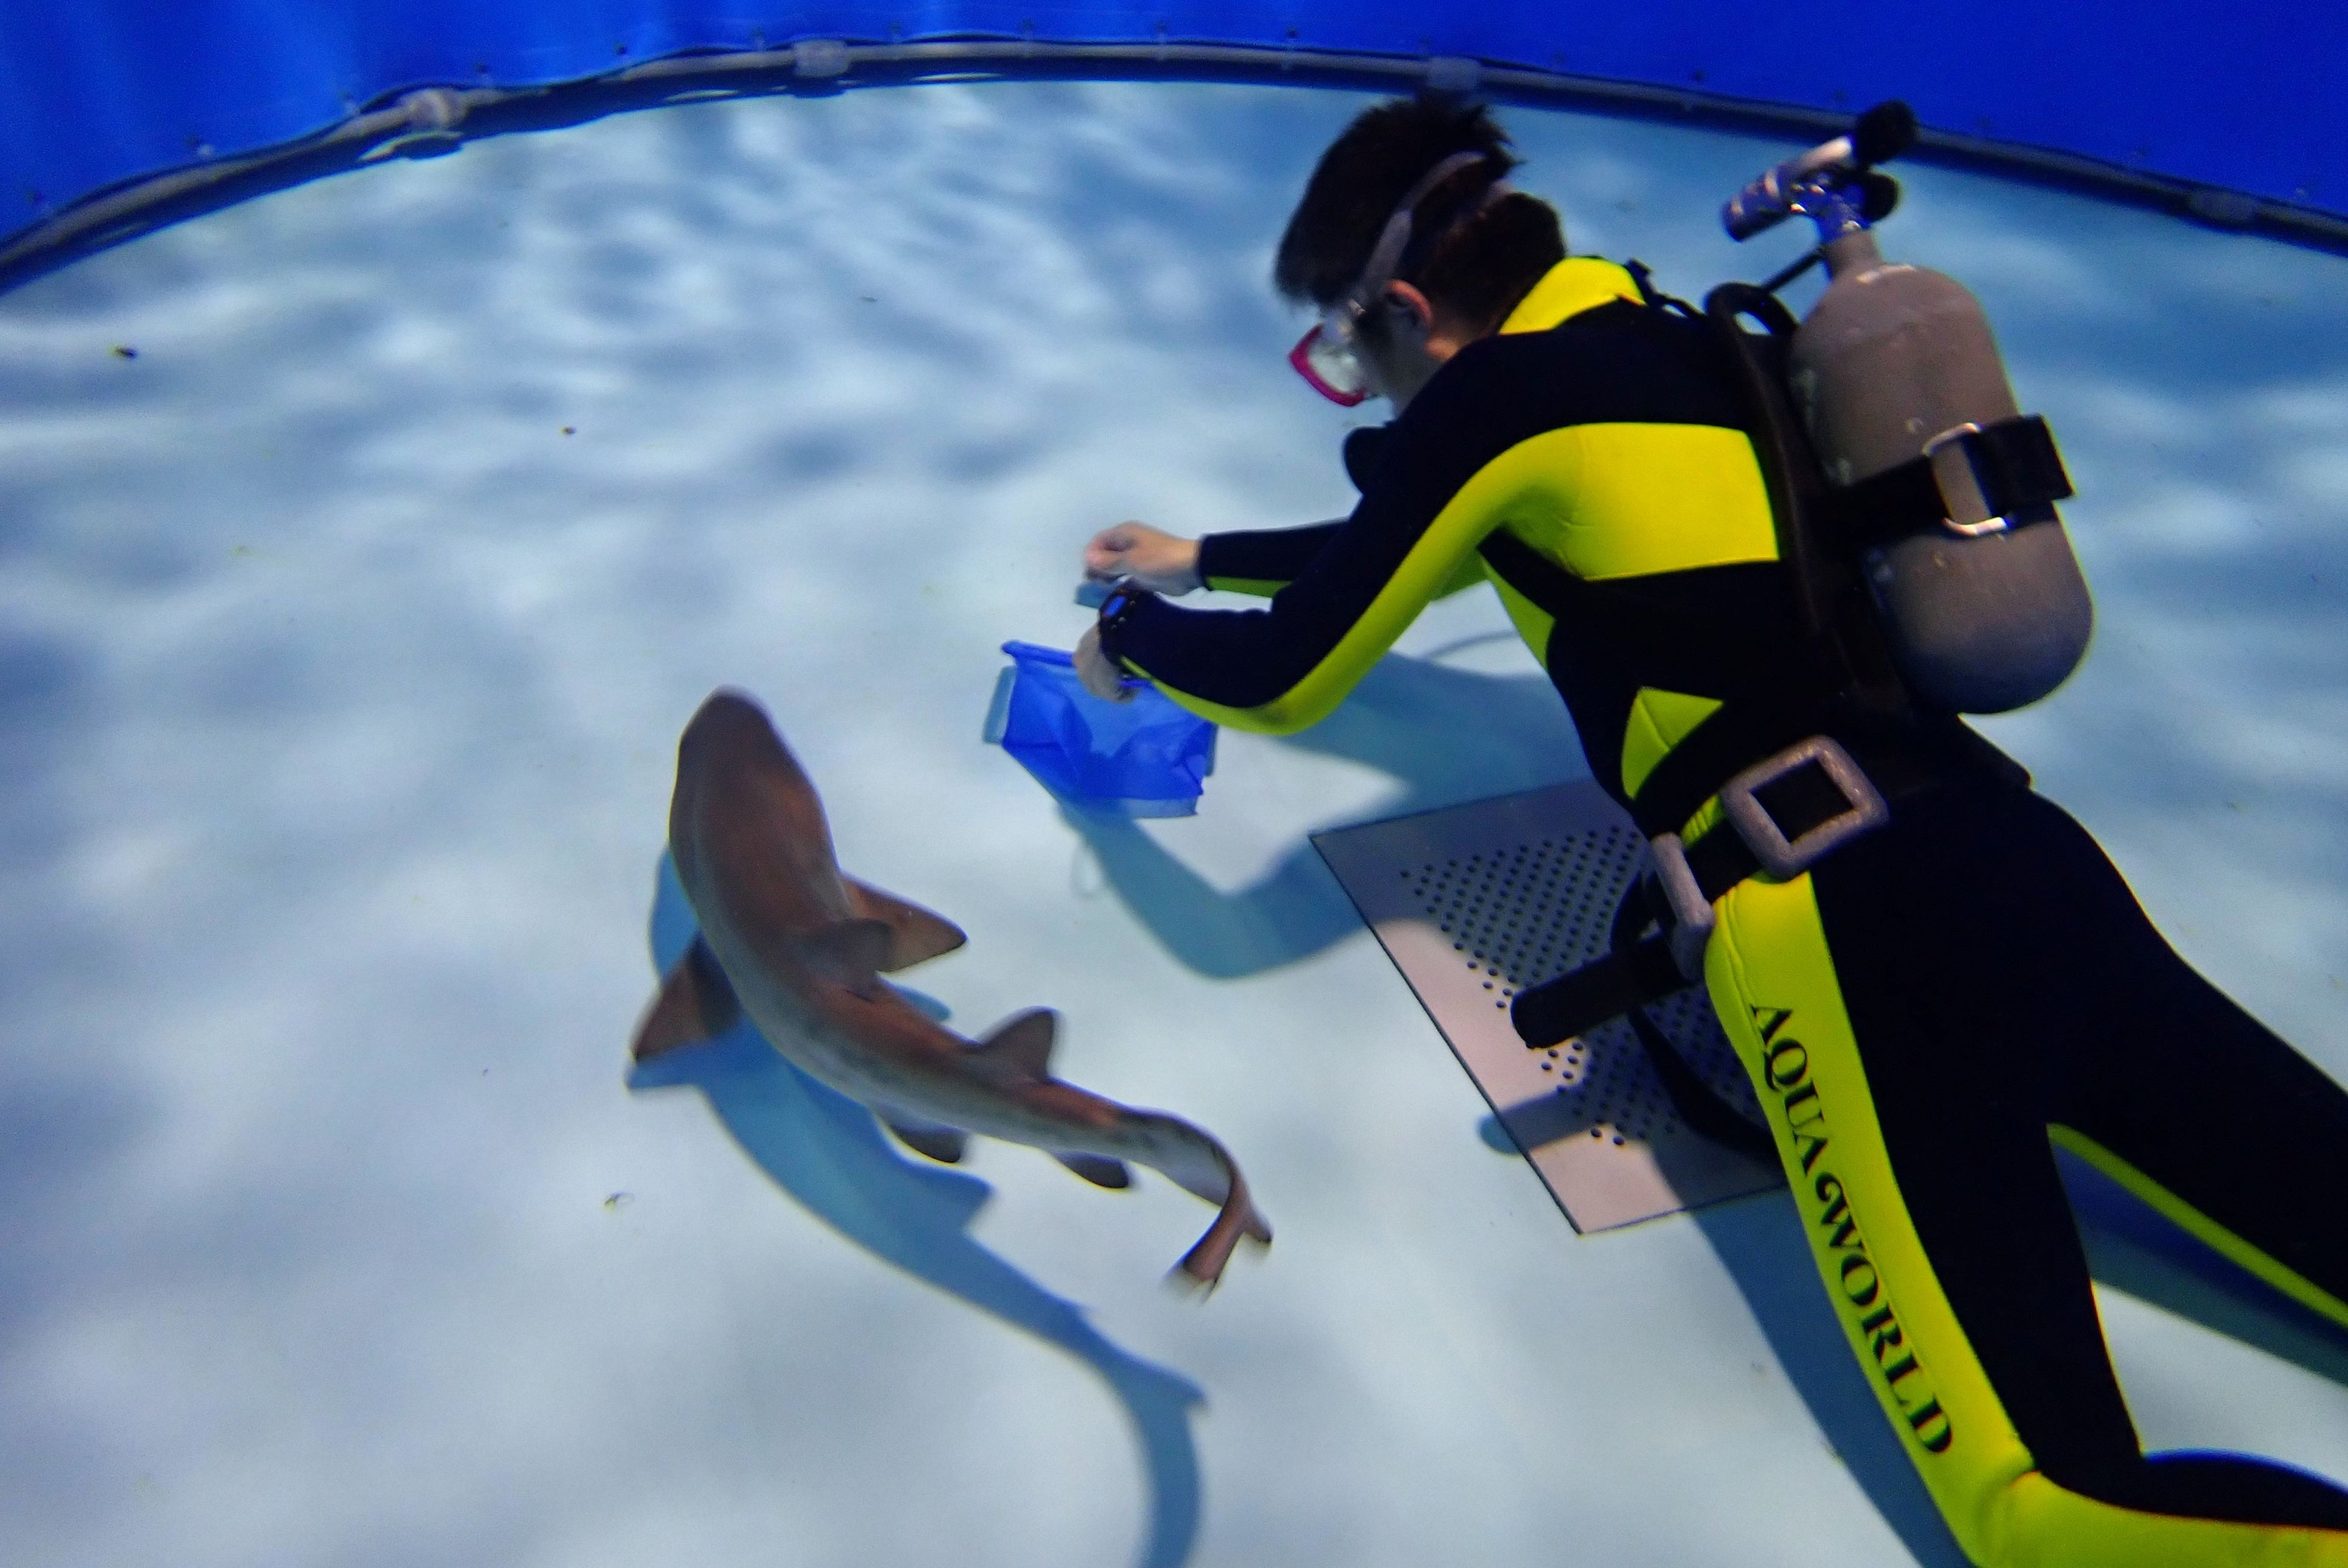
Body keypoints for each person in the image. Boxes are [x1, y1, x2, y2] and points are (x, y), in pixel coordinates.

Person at [1073, 94, 2348, 1568]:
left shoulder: (1490, 406)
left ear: (1409, 311)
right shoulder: (1679, 342)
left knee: (2042, 1509)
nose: (1359, 395)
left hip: (1849, 942)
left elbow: (1295, 672)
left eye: (1346, 357)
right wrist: (1203, 557)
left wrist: (1136, 628)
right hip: (2020, 862)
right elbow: (1427, 546)